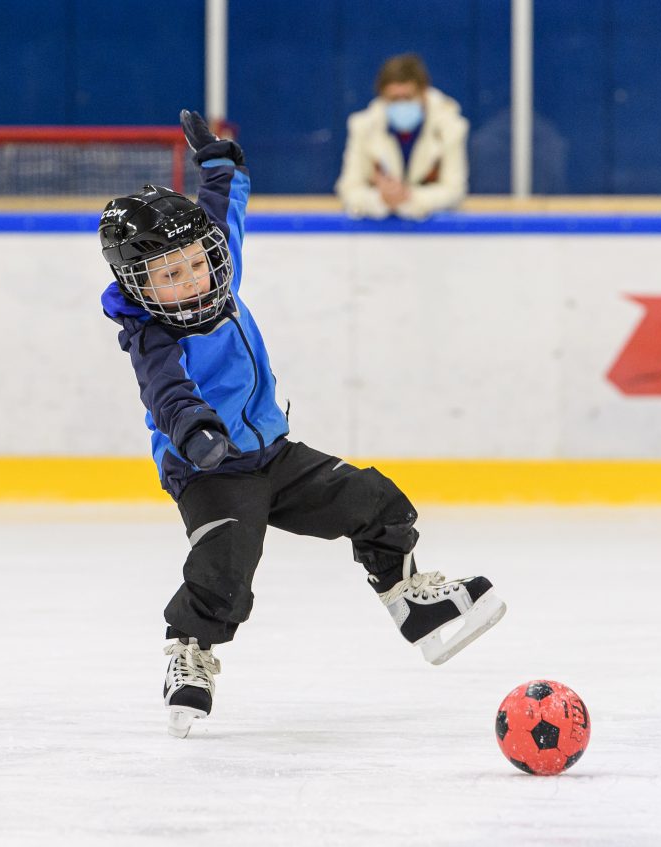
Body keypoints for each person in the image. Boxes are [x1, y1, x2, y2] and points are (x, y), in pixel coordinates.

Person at [98, 110, 505, 738]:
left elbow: (224, 206)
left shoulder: (219, 267)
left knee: (374, 500)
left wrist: (219, 163)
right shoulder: (153, 337)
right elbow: (168, 394)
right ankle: (190, 653)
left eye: (195, 263)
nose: (192, 279)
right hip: (209, 467)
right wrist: (196, 431)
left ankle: (410, 605)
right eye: (169, 275)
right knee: (227, 565)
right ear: (139, 284)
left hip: (273, 452)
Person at [335, 53, 469, 220]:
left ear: (423, 93)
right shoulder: (363, 126)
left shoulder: (451, 127)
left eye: (408, 97)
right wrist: (379, 199)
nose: (401, 104)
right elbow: (348, 189)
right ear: (382, 97)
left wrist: (409, 197)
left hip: (435, 234)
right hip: (379, 232)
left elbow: (454, 191)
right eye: (394, 99)